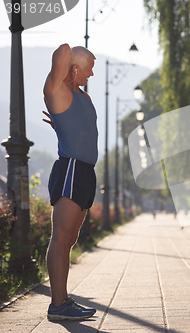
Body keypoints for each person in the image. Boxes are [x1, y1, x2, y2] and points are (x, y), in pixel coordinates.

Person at [43, 44, 98, 321]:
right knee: (61, 237)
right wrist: (76, 54)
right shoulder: (58, 91)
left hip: (86, 172)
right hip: (71, 170)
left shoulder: (82, 96)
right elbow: (63, 51)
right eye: (88, 67)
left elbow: (81, 129)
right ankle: (57, 304)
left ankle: (63, 300)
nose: (91, 72)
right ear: (75, 67)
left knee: (70, 239)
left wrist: (60, 125)